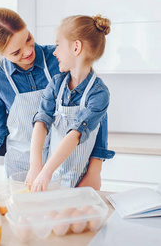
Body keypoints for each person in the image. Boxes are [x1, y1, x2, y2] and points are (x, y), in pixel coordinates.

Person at [0, 8, 114, 190]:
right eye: (16, 52)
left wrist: (94, 170)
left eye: (28, 38)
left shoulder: (60, 58)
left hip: (63, 167)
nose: (28, 51)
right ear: (0, 53)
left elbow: (96, 115)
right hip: (21, 169)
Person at [26, 14, 111, 191]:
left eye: (58, 45)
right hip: (50, 180)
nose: (54, 52)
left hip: (80, 183)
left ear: (76, 47)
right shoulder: (56, 84)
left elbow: (75, 134)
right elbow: (41, 122)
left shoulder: (99, 94)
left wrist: (46, 171)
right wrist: (36, 166)